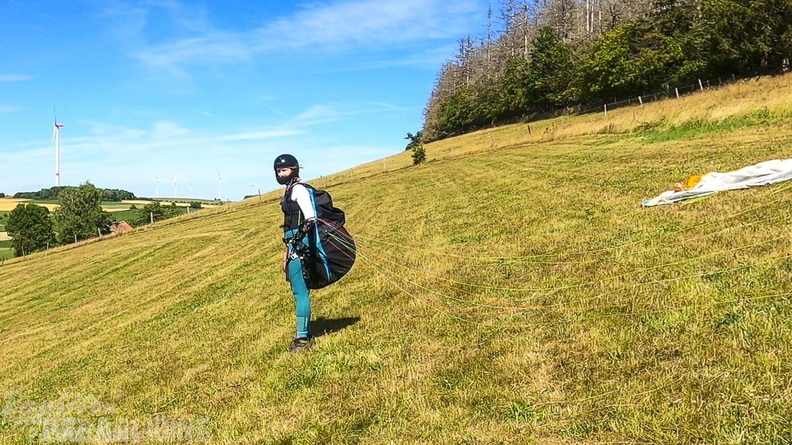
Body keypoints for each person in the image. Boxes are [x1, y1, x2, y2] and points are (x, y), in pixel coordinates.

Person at [274, 154, 316, 352]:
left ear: (294, 169)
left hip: (299, 245)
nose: (281, 174)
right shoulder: (290, 189)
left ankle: (302, 338)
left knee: (300, 291)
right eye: (278, 171)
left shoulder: (298, 189)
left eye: (284, 170)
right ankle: (303, 332)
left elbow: (310, 219)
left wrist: (296, 244)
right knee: (297, 289)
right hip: (293, 243)